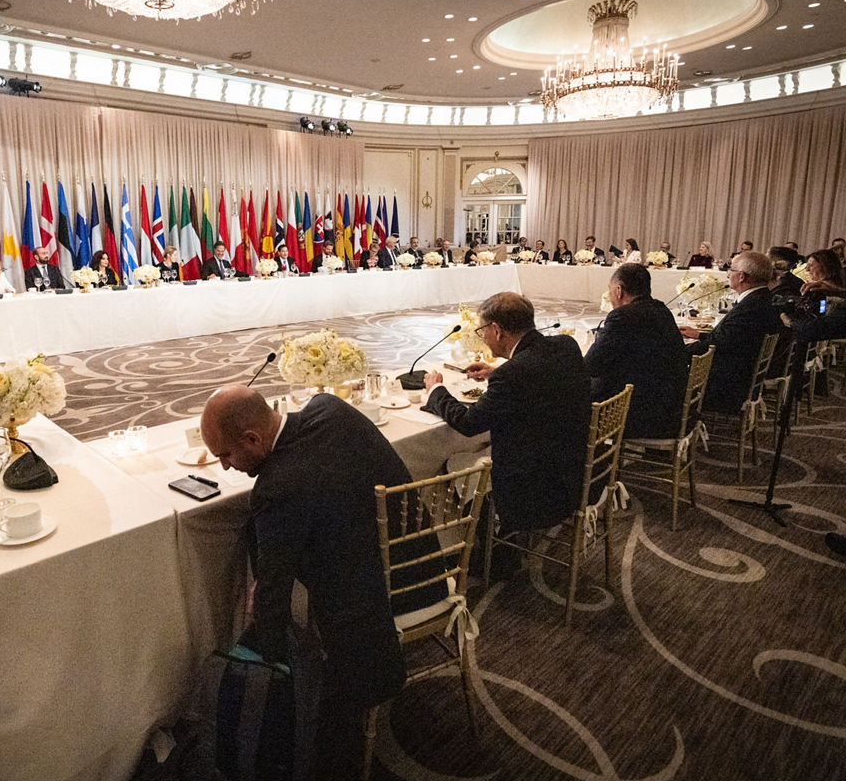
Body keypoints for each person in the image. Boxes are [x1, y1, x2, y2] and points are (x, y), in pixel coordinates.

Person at [200, 385, 446, 710]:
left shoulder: (275, 489)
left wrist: (266, 666)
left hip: (381, 605)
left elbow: (273, 599)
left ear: (253, 439)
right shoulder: (330, 406)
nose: (226, 467)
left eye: (225, 455)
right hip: (428, 564)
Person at [423, 292, 589, 537]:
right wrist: (495, 372)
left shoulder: (512, 374)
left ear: (497, 330)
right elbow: (542, 378)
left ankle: (471, 544)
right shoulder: (566, 346)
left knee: (456, 461)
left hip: (534, 489)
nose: (484, 339)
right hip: (574, 471)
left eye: (482, 332)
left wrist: (436, 390)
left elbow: (470, 423)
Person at [586, 264, 689, 439]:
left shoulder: (623, 317)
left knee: (569, 395)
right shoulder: (661, 309)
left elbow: (591, 365)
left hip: (644, 414)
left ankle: (589, 460)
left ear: (619, 291)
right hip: (673, 405)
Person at [681, 251, 781, 413]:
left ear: (741, 276)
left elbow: (717, 346)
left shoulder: (750, 308)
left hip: (727, 386)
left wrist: (677, 351)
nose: (728, 274)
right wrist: (700, 335)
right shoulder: (761, 298)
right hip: (740, 375)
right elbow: (732, 337)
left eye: (731, 270)